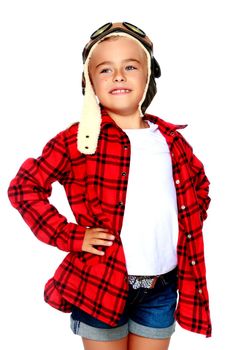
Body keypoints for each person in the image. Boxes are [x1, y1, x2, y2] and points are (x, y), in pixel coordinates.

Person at [8, 22, 211, 350]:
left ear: (148, 76)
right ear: (89, 83)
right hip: (101, 282)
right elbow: (24, 187)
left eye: (130, 66)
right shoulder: (79, 141)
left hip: (161, 286)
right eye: (105, 69)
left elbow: (200, 187)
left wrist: (183, 224)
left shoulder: (172, 141)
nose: (118, 75)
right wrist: (72, 236)